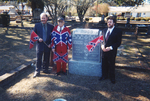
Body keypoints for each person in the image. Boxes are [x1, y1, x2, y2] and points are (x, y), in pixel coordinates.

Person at [99, 16, 122, 84]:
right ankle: (104, 76)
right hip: (104, 51)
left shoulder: (118, 31)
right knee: (104, 64)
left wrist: (111, 47)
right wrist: (102, 46)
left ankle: (112, 78)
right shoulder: (104, 30)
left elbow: (118, 43)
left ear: (114, 23)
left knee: (111, 65)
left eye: (110, 22)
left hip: (111, 51)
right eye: (108, 22)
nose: (109, 23)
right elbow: (102, 40)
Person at [33, 13, 54, 78]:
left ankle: (45, 69)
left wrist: (51, 43)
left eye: (44, 18)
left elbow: (53, 36)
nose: (43, 19)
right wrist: (38, 39)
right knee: (39, 58)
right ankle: (37, 70)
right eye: (42, 18)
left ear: (47, 18)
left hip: (47, 45)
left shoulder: (51, 26)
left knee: (46, 58)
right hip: (40, 45)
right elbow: (33, 35)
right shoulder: (37, 25)